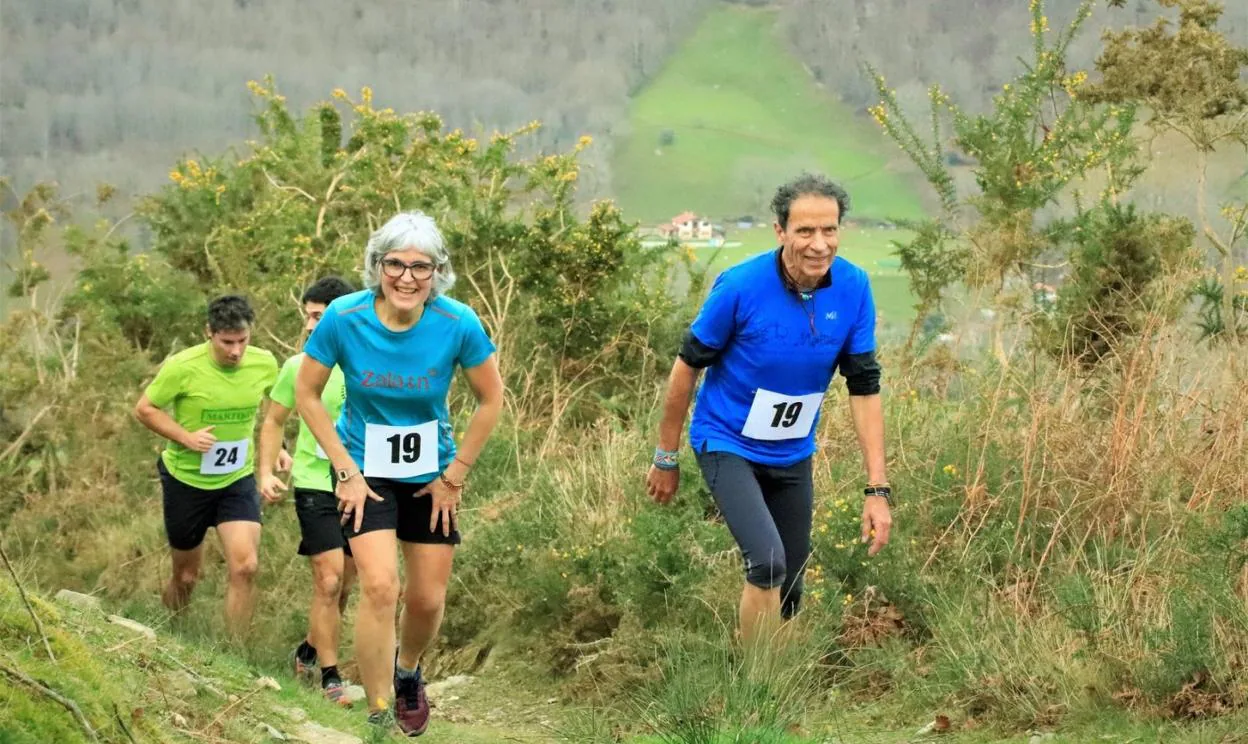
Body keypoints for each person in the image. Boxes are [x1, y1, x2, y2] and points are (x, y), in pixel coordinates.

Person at [646, 173, 893, 645]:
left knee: (792, 583)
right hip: (726, 440)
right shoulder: (740, 286)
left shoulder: (855, 288)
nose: (819, 244)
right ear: (780, 232)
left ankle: (776, 683)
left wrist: (877, 488)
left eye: (829, 230)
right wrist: (666, 454)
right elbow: (686, 367)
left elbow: (864, 386)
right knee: (768, 561)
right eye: (805, 231)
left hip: (791, 450)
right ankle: (753, 686)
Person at [296, 211, 504, 735]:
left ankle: (408, 669)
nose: (407, 277)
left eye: (420, 266)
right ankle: (378, 713)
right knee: (380, 587)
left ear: (438, 272)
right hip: (366, 474)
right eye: (395, 264)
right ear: (376, 266)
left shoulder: (458, 322)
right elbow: (307, 394)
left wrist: (454, 475)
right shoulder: (344, 317)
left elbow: (491, 398)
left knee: (427, 599)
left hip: (433, 476)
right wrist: (343, 468)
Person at [134, 294, 280, 637]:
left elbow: (275, 413)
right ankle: (175, 631)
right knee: (186, 577)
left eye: (242, 341)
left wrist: (280, 448)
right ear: (208, 334)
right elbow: (145, 409)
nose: (235, 351)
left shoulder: (265, 363)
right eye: (227, 342)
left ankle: (235, 654)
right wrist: (186, 438)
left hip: (236, 478)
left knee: (245, 567)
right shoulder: (183, 366)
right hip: (187, 480)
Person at [256, 275, 358, 704]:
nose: (312, 325)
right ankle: (331, 677)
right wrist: (266, 469)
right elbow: (275, 419)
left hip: (362, 483)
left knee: (348, 584)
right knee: (329, 580)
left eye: (320, 316)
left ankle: (308, 649)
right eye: (309, 316)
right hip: (314, 480)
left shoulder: (365, 365)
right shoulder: (298, 366)